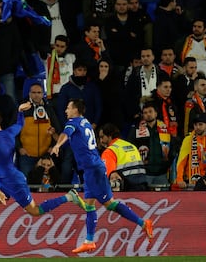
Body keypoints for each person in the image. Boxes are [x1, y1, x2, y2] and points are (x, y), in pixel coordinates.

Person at [0, 103, 84, 253]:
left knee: (35, 211)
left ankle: (69, 197)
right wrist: (20, 112)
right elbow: (20, 124)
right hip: (4, 180)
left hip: (13, 181)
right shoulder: (10, 132)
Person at [51, 99, 153, 253]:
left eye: (68, 108)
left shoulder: (73, 122)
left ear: (75, 110)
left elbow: (67, 133)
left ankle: (143, 223)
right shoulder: (85, 122)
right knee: (91, 204)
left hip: (93, 168)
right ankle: (90, 241)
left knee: (108, 204)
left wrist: (58, 145)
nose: (66, 111)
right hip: (91, 168)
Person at [16, 83, 61, 176]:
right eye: (34, 92)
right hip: (26, 155)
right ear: (29, 94)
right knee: (26, 183)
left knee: (45, 184)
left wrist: (52, 146)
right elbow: (14, 131)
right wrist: (19, 148)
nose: (36, 95)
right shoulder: (23, 109)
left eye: (39, 92)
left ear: (43, 94)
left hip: (45, 156)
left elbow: (57, 130)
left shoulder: (49, 110)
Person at [128, 103, 176, 189]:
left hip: (162, 173)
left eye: (150, 111)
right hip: (144, 173)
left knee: (165, 199)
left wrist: (166, 164)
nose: (148, 114)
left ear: (156, 113)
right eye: (145, 113)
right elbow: (130, 149)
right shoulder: (136, 130)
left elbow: (172, 149)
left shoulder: (165, 129)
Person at [175, 113, 206, 190]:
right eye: (195, 125)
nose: (197, 127)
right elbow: (181, 161)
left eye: (200, 124)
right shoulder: (188, 139)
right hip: (192, 182)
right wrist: (179, 179)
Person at [99, 122, 148, 191]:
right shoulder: (131, 145)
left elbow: (110, 176)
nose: (101, 141)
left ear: (109, 136)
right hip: (142, 184)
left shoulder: (109, 151)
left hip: (126, 189)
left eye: (102, 137)